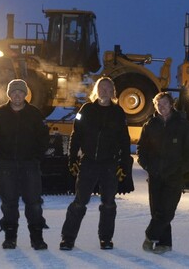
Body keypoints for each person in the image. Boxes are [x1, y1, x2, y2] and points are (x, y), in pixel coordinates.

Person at [59, 77, 131, 251]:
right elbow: (76, 136)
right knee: (79, 202)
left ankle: (106, 239)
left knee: (108, 203)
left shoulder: (118, 113)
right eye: (101, 87)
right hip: (89, 162)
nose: (104, 91)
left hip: (109, 164)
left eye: (108, 88)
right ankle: (68, 238)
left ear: (113, 92)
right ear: (96, 90)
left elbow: (124, 140)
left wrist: (124, 165)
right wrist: (72, 159)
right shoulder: (87, 109)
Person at [0, 79, 50, 250]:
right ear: (9, 94)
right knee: (9, 204)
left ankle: (37, 238)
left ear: (25, 94)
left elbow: (44, 138)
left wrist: (36, 158)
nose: (17, 95)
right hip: (5, 167)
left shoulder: (35, 114)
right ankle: (10, 237)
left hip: (30, 166)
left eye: (20, 92)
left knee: (34, 203)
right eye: (13, 92)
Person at [136, 92, 189, 254]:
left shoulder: (183, 125)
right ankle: (165, 244)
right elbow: (141, 149)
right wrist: (148, 166)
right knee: (156, 210)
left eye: (164, 103)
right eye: (158, 104)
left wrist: (180, 169)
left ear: (171, 105)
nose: (161, 107)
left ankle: (150, 236)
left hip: (174, 176)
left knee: (167, 210)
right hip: (155, 175)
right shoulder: (150, 125)